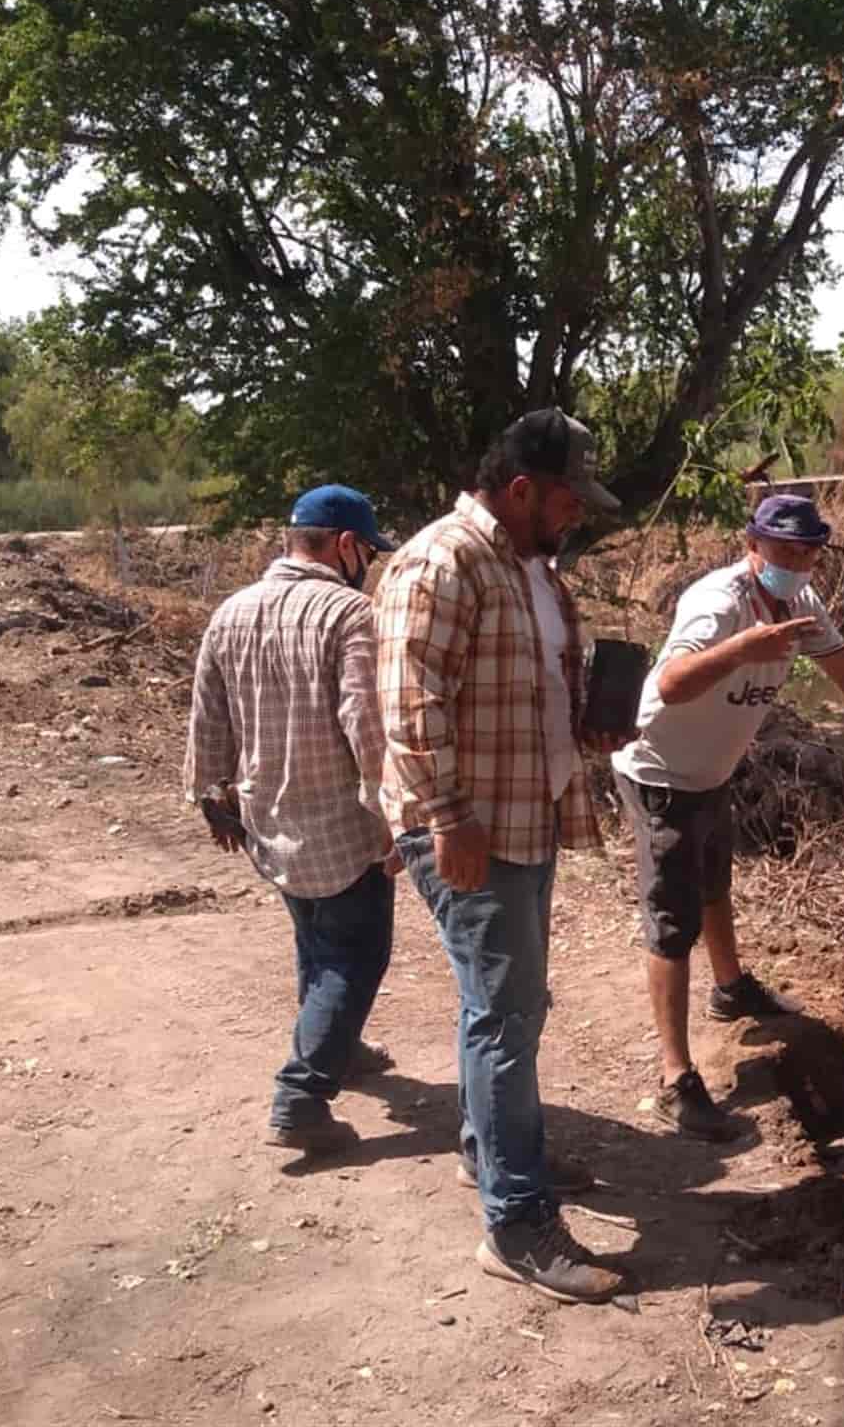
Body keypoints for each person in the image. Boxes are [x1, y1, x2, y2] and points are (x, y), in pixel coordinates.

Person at [377, 407, 634, 1305]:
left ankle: (493, 1153)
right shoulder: (443, 560)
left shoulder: (533, 570)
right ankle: (516, 1225)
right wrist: (449, 819)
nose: (579, 516)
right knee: (506, 1013)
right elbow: (410, 704)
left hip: (523, 821)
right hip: (471, 830)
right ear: (522, 488)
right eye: (569, 499)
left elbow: (522, 690)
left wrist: (589, 724)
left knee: (510, 1007)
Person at [612, 493, 844, 1140]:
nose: (797, 562)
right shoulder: (718, 604)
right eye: (785, 549)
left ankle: (731, 988)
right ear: (752, 545)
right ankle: (676, 1077)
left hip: (712, 769)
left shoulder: (802, 605)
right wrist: (744, 648)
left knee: (714, 879)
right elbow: (672, 684)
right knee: (672, 919)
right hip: (658, 771)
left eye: (808, 551)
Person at [185, 484, 403, 1157]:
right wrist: (398, 814)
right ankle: (301, 1097)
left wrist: (209, 793)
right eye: (367, 550)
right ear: (344, 545)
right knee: (354, 958)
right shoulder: (349, 613)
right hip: (341, 824)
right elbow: (365, 725)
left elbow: (208, 714)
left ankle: (342, 1047)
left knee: (316, 942)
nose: (367, 562)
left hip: (267, 815)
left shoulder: (232, 612)